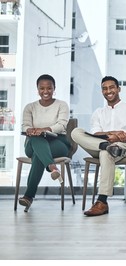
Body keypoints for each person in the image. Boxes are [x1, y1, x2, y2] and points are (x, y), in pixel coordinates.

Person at [71, 76, 126, 216]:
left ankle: (102, 201)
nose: (108, 91)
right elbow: (96, 133)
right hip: (98, 144)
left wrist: (118, 138)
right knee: (75, 132)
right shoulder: (98, 112)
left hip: (124, 146)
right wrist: (113, 134)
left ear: (118, 89)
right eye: (105, 88)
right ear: (102, 91)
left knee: (106, 153)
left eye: (111, 87)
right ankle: (106, 146)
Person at [18, 74, 71, 212]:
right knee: (37, 139)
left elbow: (62, 125)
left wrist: (45, 130)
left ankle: (28, 197)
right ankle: (52, 166)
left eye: (49, 88)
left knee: (38, 155)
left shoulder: (62, 105)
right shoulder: (30, 107)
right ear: (37, 89)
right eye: (42, 88)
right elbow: (25, 125)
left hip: (57, 143)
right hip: (33, 142)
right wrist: (30, 130)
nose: (45, 91)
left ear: (54, 89)